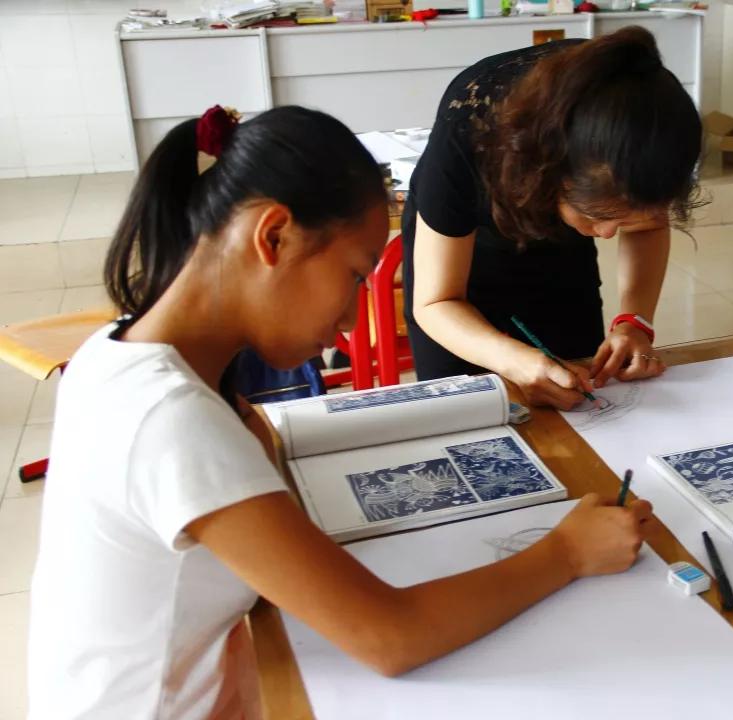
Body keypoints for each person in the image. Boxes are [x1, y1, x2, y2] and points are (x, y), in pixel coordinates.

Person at [27, 105, 654, 719]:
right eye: (355, 276)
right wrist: (567, 552)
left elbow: (251, 457)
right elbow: (391, 637)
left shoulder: (124, 345)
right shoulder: (173, 419)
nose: (353, 320)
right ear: (273, 236)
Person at [403, 26, 702, 410]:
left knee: (578, 392)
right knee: (466, 413)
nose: (607, 235)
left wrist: (634, 321)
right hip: (464, 265)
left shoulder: (644, 119)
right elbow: (435, 302)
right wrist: (513, 361)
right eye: (599, 217)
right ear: (550, 175)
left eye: (623, 220)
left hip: (561, 252)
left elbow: (649, 222)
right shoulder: (467, 132)